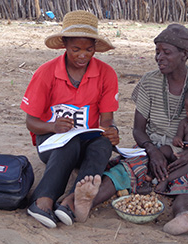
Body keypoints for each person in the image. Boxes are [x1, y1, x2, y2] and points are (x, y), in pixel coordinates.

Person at [83, 23, 188, 235]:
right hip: (152, 147)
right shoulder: (149, 82)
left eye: (166, 52)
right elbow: (138, 130)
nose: (159, 57)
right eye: (157, 51)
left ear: (184, 54)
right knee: (123, 171)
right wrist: (152, 151)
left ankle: (182, 217)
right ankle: (84, 204)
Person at [20, 10, 120, 228]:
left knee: (103, 144)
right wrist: (53, 127)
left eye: (89, 49)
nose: (82, 55)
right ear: (64, 44)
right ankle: (42, 200)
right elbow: (31, 122)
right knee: (69, 140)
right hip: (52, 145)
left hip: (87, 145)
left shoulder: (106, 74)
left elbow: (106, 122)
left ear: (95, 47)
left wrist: (111, 132)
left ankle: (73, 200)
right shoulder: (46, 73)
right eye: (75, 49)